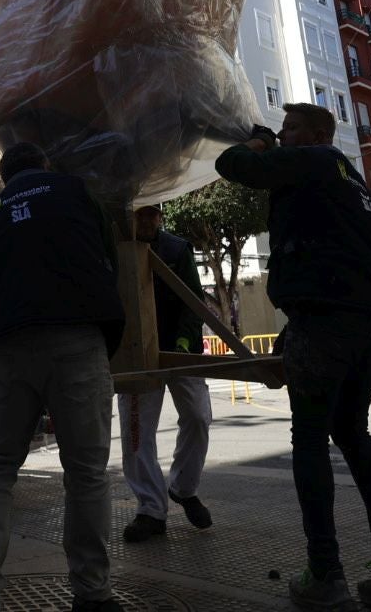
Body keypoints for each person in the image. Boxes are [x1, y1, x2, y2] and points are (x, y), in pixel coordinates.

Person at [216, 103, 371, 611]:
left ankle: (325, 572)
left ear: (314, 134)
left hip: (330, 318)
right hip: (369, 319)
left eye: (290, 128)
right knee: (352, 432)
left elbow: (232, 166)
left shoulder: (312, 159)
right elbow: (332, 257)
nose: (283, 135)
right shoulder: (345, 177)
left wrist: (256, 146)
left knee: (308, 437)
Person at [0, 142, 126, 612]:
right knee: (87, 473)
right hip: (74, 336)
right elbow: (106, 259)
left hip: (4, 347)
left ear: (3, 177)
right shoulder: (75, 192)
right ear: (46, 165)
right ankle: (92, 592)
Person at [118, 205, 214, 543]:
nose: (146, 220)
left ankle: (184, 489)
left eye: (152, 214)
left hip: (179, 348)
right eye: (139, 214)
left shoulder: (176, 249)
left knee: (199, 416)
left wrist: (184, 345)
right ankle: (150, 510)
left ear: (160, 216)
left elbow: (193, 302)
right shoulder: (114, 250)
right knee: (136, 433)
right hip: (134, 355)